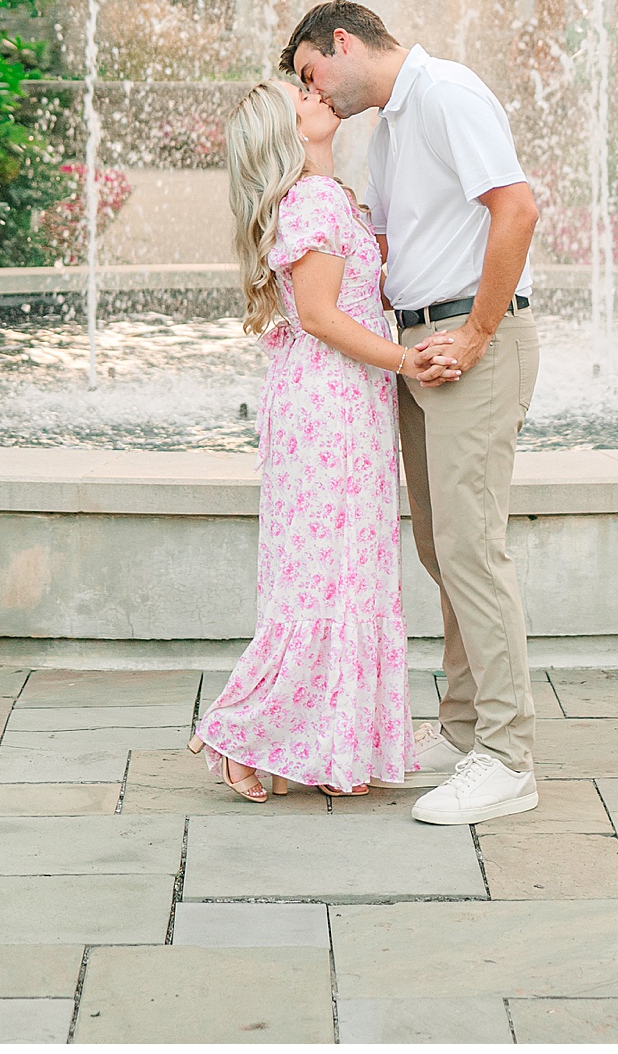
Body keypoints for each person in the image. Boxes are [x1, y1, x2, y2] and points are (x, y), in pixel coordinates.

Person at [280, 0, 542, 826]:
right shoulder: (392, 126)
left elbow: (518, 208)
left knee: (472, 546)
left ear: (342, 42)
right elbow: (382, 250)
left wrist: (476, 334)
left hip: (471, 342)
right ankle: (467, 732)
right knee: (440, 546)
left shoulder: (449, 93)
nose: (311, 91)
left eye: (309, 72)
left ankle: (507, 758)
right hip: (422, 346)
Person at [190, 74, 431, 801]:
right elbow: (324, 315)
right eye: (301, 97)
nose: (318, 94)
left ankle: (333, 747)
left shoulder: (326, 198)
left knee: (341, 569)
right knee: (330, 571)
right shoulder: (318, 200)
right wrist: (406, 359)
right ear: (286, 133)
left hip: (331, 402)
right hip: (333, 404)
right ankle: (238, 729)